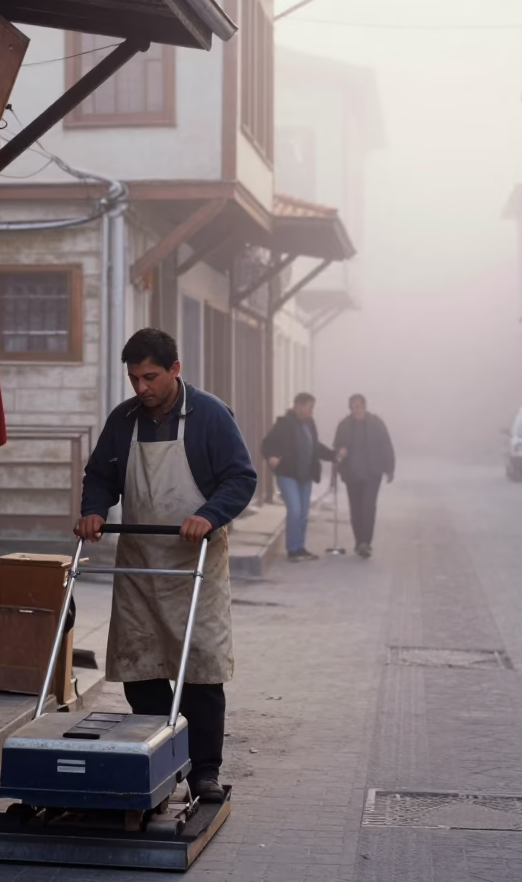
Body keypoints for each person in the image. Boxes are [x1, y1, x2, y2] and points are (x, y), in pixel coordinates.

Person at [75, 328, 257, 803]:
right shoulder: (123, 421)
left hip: (195, 565)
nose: (142, 387)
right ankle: (161, 762)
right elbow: (99, 475)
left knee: (200, 671)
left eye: (151, 377)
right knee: (141, 668)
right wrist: (94, 510)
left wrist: (209, 515)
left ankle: (204, 771)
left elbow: (240, 478)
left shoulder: (210, 416)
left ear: (175, 369)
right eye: (134, 378)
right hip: (139, 567)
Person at [261, 393, 337, 561]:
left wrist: (332, 455)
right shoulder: (284, 424)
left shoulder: (309, 423)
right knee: (295, 510)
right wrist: (271, 456)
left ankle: (300, 547)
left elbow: (314, 446)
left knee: (303, 512)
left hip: (305, 475)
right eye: (308, 407)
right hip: (287, 474)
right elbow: (267, 444)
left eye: (311, 408)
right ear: (298, 406)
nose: (310, 411)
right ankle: (292, 549)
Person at [333, 393, 395, 558]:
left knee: (368, 506)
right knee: (355, 508)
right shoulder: (344, 425)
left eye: (358, 407)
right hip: (352, 474)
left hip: (372, 473)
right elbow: (336, 446)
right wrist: (339, 452)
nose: (356, 410)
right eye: (353, 408)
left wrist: (389, 468)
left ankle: (365, 542)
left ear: (364, 406)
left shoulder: (376, 423)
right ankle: (359, 540)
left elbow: (386, 445)